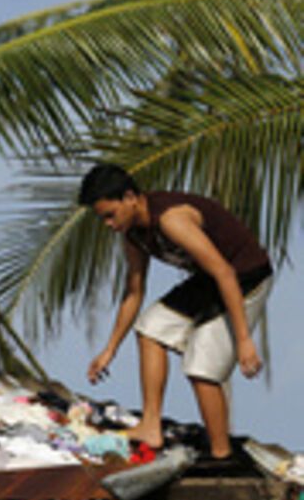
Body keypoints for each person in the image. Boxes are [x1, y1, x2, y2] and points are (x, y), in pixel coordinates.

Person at [79, 164, 273, 460]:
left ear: (130, 197)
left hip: (245, 277)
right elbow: (134, 291)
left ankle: (222, 455)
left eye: (110, 214)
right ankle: (150, 426)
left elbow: (225, 273)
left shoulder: (172, 220)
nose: (107, 223)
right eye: (102, 218)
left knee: (201, 367)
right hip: (209, 280)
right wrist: (110, 349)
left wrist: (244, 339)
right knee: (150, 328)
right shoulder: (132, 235)